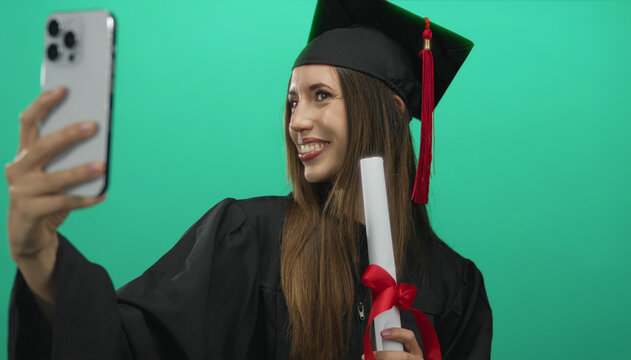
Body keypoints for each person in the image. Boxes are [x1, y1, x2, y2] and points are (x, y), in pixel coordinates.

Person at [6, 0, 492, 359]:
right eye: (292, 101)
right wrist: (39, 256)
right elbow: (130, 344)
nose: (296, 121)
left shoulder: (456, 288)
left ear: (391, 110)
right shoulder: (250, 239)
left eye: (320, 95)